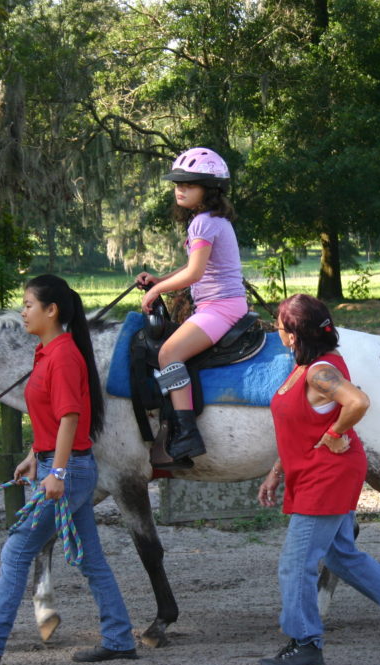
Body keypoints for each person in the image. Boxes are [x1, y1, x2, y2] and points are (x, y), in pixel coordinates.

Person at [0, 274, 137, 665]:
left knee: (16, 551)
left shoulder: (63, 356)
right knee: (91, 560)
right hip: (61, 466)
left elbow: (70, 418)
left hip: (68, 471)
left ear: (52, 310)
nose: (23, 312)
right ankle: (119, 639)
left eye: (29, 305)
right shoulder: (47, 352)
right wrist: (35, 454)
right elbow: (48, 413)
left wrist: (57, 471)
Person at [255, 293, 380, 665]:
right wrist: (277, 469)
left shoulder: (320, 371)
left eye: (278, 324)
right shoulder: (306, 367)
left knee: (295, 564)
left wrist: (337, 432)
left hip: (327, 475)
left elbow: (357, 402)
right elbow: (301, 425)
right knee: (341, 555)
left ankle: (305, 644)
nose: (275, 330)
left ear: (292, 334)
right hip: (313, 472)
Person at [135, 147, 246, 470]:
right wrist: (160, 278)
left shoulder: (203, 223)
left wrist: (156, 289)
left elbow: (194, 274)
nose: (180, 189)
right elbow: (193, 269)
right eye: (177, 184)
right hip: (220, 305)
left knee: (169, 354)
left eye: (189, 184)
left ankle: (185, 434)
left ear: (209, 190)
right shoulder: (209, 221)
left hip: (220, 308)